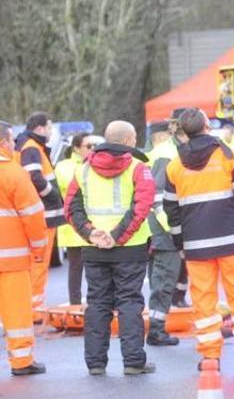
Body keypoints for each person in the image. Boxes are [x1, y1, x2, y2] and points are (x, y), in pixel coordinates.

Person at [162, 109, 234, 372]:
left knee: (204, 302)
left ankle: (209, 359)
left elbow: (171, 211)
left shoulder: (175, 165)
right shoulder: (227, 155)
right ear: (207, 125)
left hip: (196, 247)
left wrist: (180, 245)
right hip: (232, 242)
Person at [65, 121, 157, 375]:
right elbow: (141, 208)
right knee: (129, 302)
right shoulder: (139, 168)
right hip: (130, 247)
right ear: (128, 141)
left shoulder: (83, 170)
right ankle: (133, 362)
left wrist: (90, 233)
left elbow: (71, 208)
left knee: (97, 302)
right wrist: (116, 237)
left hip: (94, 249)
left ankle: (95, 363)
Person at [0, 121, 49, 376]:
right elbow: (32, 214)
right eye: (10, 141)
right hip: (11, 260)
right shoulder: (12, 172)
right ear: (4, 143)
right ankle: (21, 361)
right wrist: (39, 249)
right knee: (16, 311)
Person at [143, 112, 186, 347]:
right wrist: (172, 228)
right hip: (163, 228)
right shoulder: (168, 154)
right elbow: (158, 195)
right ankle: (157, 330)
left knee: (159, 277)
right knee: (164, 277)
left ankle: (156, 325)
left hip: (155, 227)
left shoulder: (163, 152)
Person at [16, 112, 63, 317]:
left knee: (36, 263)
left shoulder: (29, 146)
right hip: (43, 214)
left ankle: (31, 307)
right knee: (39, 262)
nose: (51, 132)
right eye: (50, 127)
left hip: (38, 213)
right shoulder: (32, 148)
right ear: (40, 128)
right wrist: (51, 195)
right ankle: (33, 310)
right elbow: (34, 177)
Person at [54, 132, 98, 305]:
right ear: (76, 148)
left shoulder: (95, 164)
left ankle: (96, 304)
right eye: (88, 146)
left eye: (94, 146)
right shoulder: (65, 167)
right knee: (76, 269)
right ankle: (75, 305)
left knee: (95, 270)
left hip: (94, 225)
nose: (92, 149)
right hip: (73, 228)